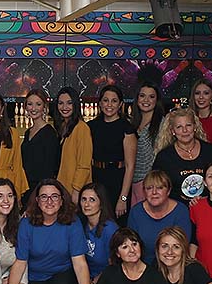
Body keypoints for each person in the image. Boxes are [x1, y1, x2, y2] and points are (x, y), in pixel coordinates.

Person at [6, 178, 92, 284]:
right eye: (44, 197)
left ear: (61, 201)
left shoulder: (72, 222)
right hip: (35, 278)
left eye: (54, 196)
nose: (49, 201)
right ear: (37, 201)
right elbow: (20, 261)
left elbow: (79, 263)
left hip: (61, 274)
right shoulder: (27, 223)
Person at [152, 106, 212, 204]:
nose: (184, 131)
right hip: (176, 211)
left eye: (188, 125)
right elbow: (156, 188)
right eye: (179, 127)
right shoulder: (164, 157)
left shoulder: (210, 151)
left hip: (209, 209)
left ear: (194, 127)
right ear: (172, 131)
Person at [88, 86, 137, 217]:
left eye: (114, 101)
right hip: (97, 178)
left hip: (118, 180)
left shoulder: (127, 128)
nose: (109, 105)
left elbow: (130, 166)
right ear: (100, 103)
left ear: (121, 104)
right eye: (105, 100)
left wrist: (123, 198)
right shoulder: (91, 127)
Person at [126, 169, 191, 263]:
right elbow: (131, 246)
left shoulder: (181, 211)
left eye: (160, 188)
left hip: (173, 265)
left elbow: (182, 247)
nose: (154, 192)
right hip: (143, 268)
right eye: (149, 188)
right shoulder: (136, 212)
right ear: (144, 192)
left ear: (168, 191)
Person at [54, 86, 92, 204]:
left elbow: (84, 164)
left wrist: (76, 191)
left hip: (74, 191)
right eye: (61, 103)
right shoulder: (63, 127)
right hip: (63, 188)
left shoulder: (81, 128)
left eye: (69, 103)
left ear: (75, 105)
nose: (64, 107)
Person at [19, 87, 61, 193]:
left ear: (44, 107)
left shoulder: (49, 132)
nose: (33, 108)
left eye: (38, 104)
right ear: (25, 107)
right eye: (30, 104)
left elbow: (50, 167)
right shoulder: (28, 132)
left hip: (41, 187)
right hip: (26, 185)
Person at [129, 83, 164, 205]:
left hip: (152, 184)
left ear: (157, 100)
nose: (146, 100)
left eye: (151, 97)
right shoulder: (132, 123)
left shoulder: (163, 124)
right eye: (142, 96)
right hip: (132, 182)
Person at [77, 182, 118, 283]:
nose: (86, 204)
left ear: (101, 203)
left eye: (92, 200)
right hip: (84, 276)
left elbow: (114, 265)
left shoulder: (110, 229)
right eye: (84, 199)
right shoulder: (80, 224)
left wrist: (95, 282)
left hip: (106, 279)